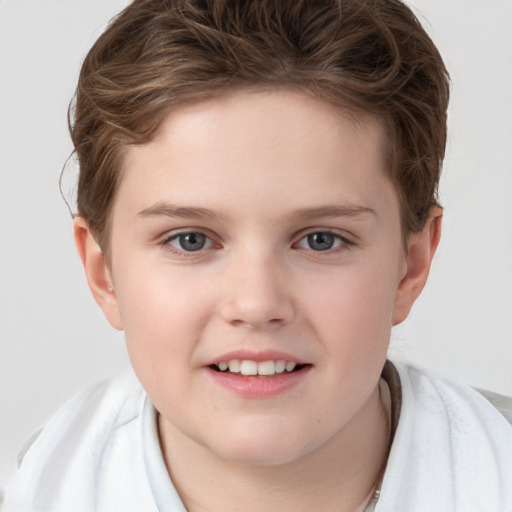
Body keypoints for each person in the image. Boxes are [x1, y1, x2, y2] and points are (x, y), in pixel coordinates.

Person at [2, 0, 511, 510]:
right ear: (104, 273)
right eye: (190, 240)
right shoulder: (37, 490)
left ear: (412, 265)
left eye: (321, 240)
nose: (255, 302)